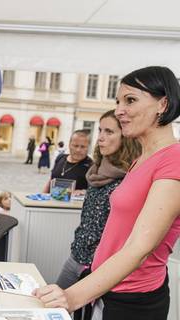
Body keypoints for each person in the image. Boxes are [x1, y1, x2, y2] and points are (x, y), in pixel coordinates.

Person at [35, 66, 180, 320]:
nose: (119, 110)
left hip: (133, 300)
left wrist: (71, 297)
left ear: (163, 104)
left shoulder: (174, 159)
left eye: (130, 100)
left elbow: (140, 247)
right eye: (118, 101)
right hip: (108, 289)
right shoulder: (143, 159)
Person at [56, 110, 141, 292]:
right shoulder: (95, 171)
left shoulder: (130, 178)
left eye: (109, 132)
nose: (100, 137)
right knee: (53, 305)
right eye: (100, 131)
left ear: (125, 136)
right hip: (77, 254)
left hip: (100, 267)